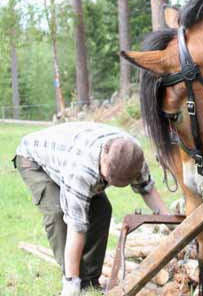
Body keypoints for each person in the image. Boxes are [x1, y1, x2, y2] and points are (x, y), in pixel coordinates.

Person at [13, 122, 170, 296]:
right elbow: (76, 227)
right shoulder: (81, 171)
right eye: (107, 178)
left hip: (69, 153)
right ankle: (73, 280)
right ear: (104, 156)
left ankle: (90, 282)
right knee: (57, 214)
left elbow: (147, 189)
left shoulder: (133, 154)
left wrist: (173, 225)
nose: (108, 184)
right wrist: (71, 283)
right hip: (33, 160)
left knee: (102, 210)